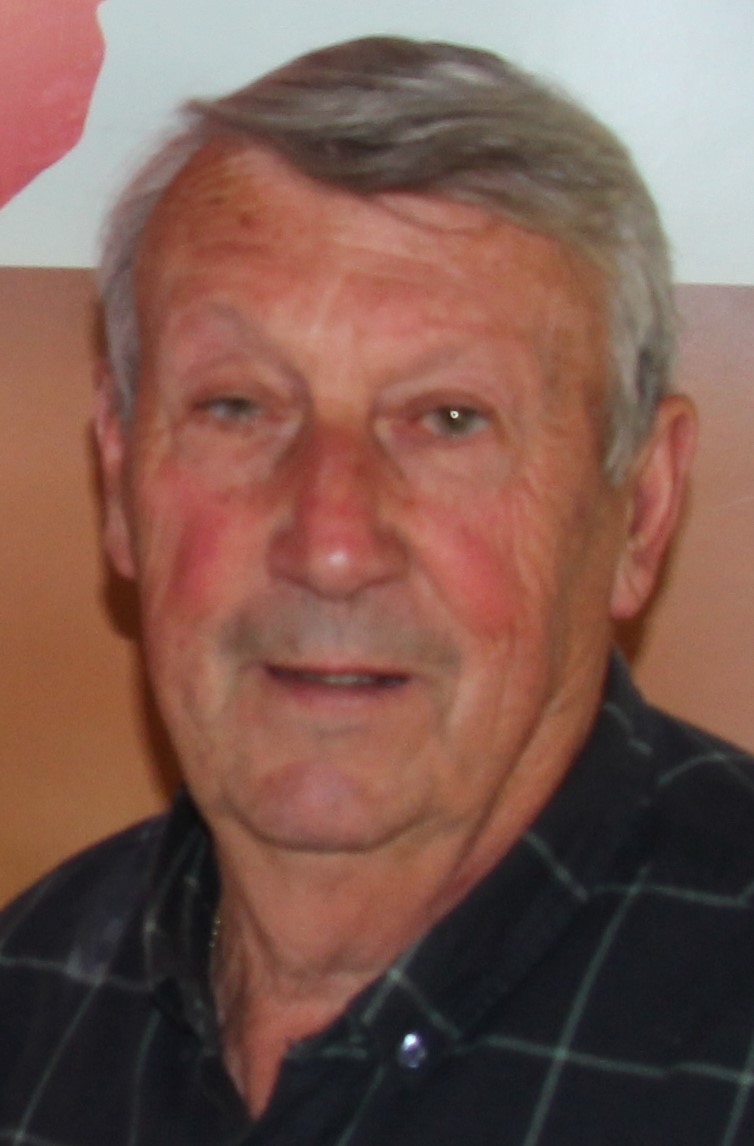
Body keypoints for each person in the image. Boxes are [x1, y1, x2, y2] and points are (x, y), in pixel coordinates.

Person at [1, 35, 753, 1145]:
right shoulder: (29, 1002)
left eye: (449, 420)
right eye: (237, 407)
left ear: (638, 506)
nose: (332, 546)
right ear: (119, 481)